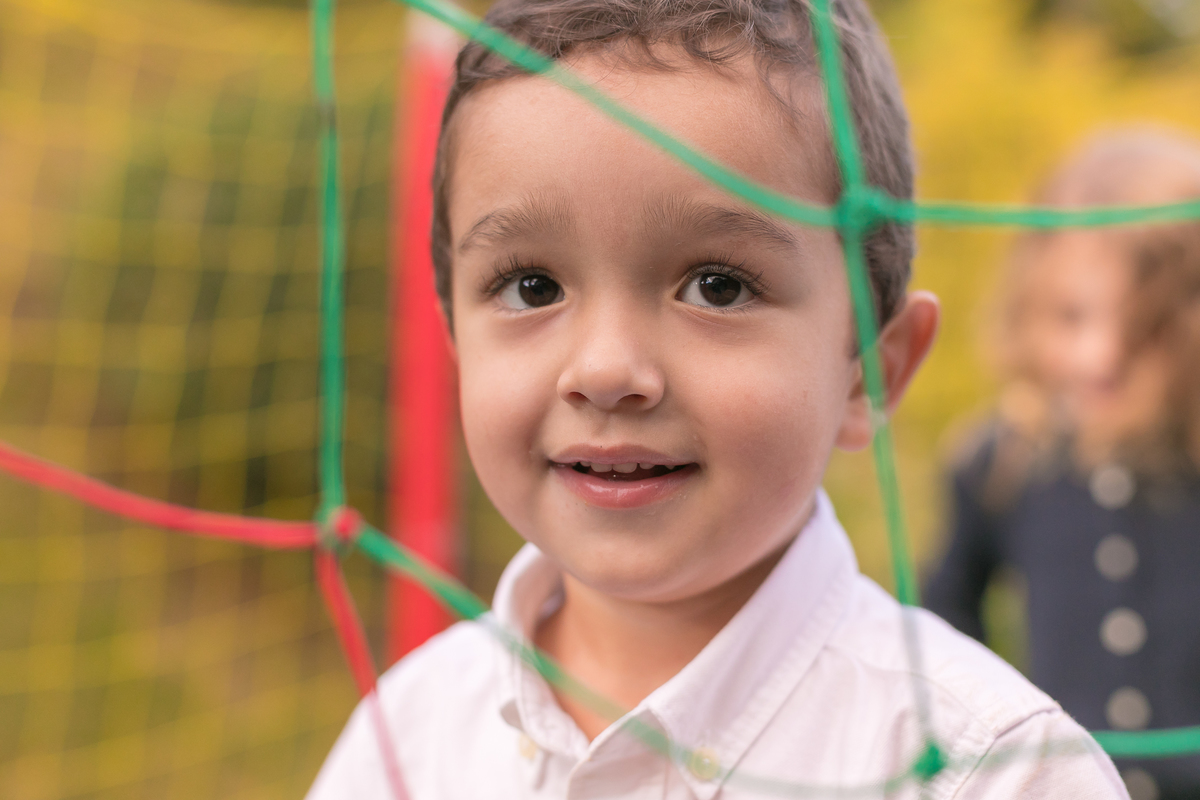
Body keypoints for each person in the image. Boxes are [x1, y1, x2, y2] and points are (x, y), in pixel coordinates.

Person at [309, 0, 1128, 797]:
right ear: (454, 333)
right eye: (532, 287)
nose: (604, 369)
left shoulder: (994, 769)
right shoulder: (408, 737)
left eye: (717, 287)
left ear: (869, 370)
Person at [925, 129, 1200, 800]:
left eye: (1144, 328)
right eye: (1072, 317)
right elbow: (943, 615)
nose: (1099, 356)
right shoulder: (1000, 463)